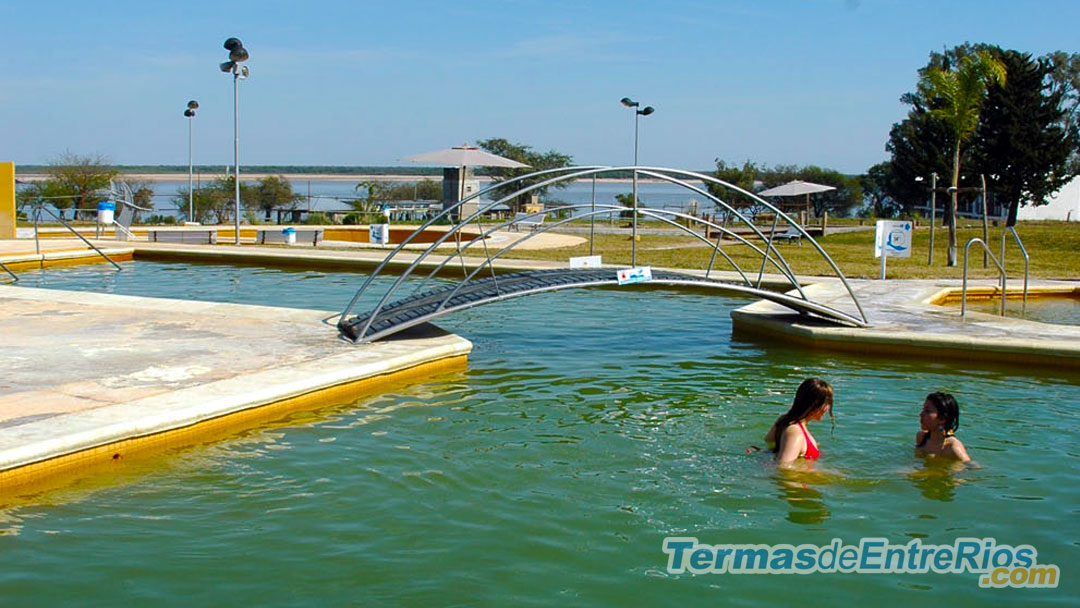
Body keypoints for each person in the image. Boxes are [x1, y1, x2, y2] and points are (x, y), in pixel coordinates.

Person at [764, 378, 834, 465]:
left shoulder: (784, 420)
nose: (827, 409)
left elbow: (769, 441)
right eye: (827, 403)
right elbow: (783, 467)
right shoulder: (795, 432)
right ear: (815, 405)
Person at [915, 392, 971, 462]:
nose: (921, 414)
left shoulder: (952, 447)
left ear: (942, 419)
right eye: (923, 409)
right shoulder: (921, 437)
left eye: (927, 411)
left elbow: (970, 466)